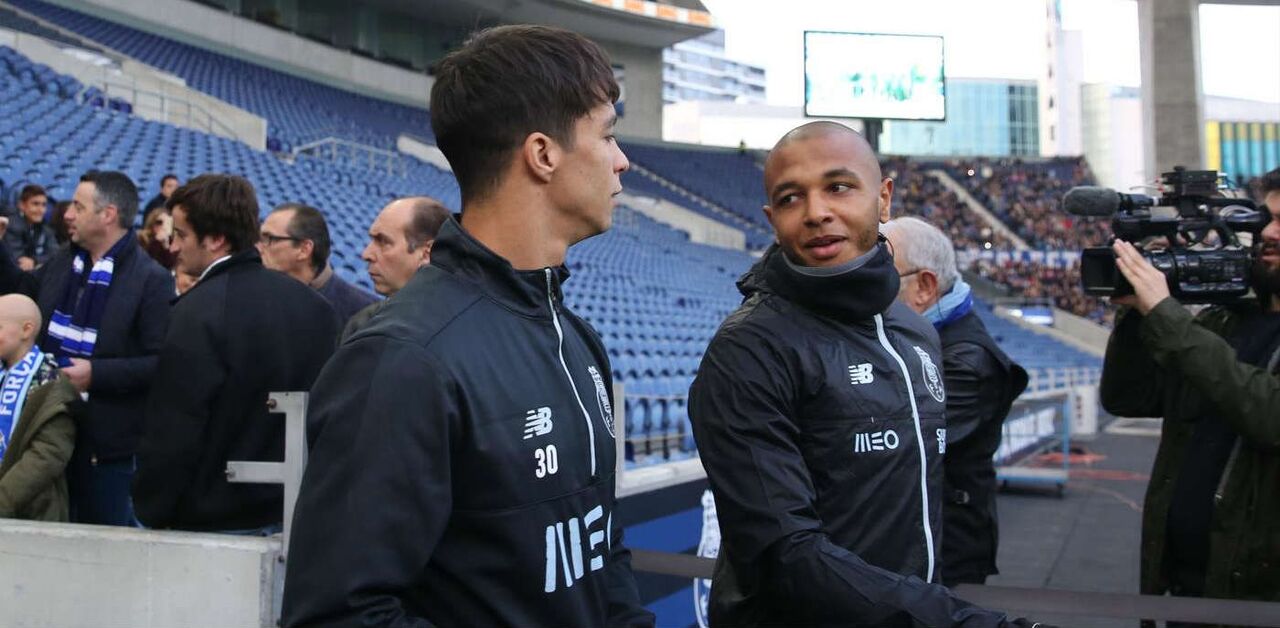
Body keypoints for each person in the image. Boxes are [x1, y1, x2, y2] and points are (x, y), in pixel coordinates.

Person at [282, 25, 652, 628]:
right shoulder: (402, 358)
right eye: (607, 135)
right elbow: (340, 614)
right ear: (543, 154)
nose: (621, 160)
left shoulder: (575, 339)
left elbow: (599, 549)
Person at [687, 122, 1038, 627]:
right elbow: (786, 555)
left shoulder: (915, 332)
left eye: (838, 186)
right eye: (790, 198)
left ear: (884, 199)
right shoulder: (749, 349)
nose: (816, 212)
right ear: (772, 219)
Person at [1102, 166, 1280, 617]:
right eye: (1266, 219)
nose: (1268, 233)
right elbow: (1129, 397)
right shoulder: (1225, 321)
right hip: (1186, 588)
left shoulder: (1198, 333)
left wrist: (1167, 315)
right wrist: (1137, 314)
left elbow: (1269, 414)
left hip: (1259, 603)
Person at [132, 174, 338, 533]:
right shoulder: (316, 307)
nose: (173, 245)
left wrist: (153, 508)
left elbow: (176, 428)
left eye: (181, 234)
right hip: (297, 516)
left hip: (215, 521)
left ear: (215, 239)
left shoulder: (197, 311)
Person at [0, 171, 172, 527]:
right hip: (46, 434)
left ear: (108, 214)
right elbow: (22, 293)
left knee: (101, 548)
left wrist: (96, 374)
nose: (66, 214)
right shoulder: (65, 261)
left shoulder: (151, 280)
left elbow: (161, 364)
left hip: (105, 450)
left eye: (78, 207)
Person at [882, 216, 1028, 587]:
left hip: (947, 553)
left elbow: (900, 450)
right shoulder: (925, 339)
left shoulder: (967, 362)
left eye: (880, 274)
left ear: (924, 287)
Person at [0, 294, 78, 521]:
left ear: (26, 330)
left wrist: (3, 501)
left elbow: (48, 454)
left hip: (31, 514)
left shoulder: (52, 384)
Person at [340, 195, 450, 341]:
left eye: (383, 242)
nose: (366, 254)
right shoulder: (362, 323)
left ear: (426, 254)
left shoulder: (457, 334)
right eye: (372, 240)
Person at [258, 203, 376, 324]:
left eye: (269, 238)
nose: (258, 247)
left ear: (304, 250)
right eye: (259, 238)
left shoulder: (363, 314)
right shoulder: (256, 287)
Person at [4, 184, 57, 270]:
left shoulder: (44, 226)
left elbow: (55, 253)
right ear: (22, 205)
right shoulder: (12, 225)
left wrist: (35, 260)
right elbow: (19, 260)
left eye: (44, 205)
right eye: (35, 204)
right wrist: (38, 261)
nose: (41, 210)